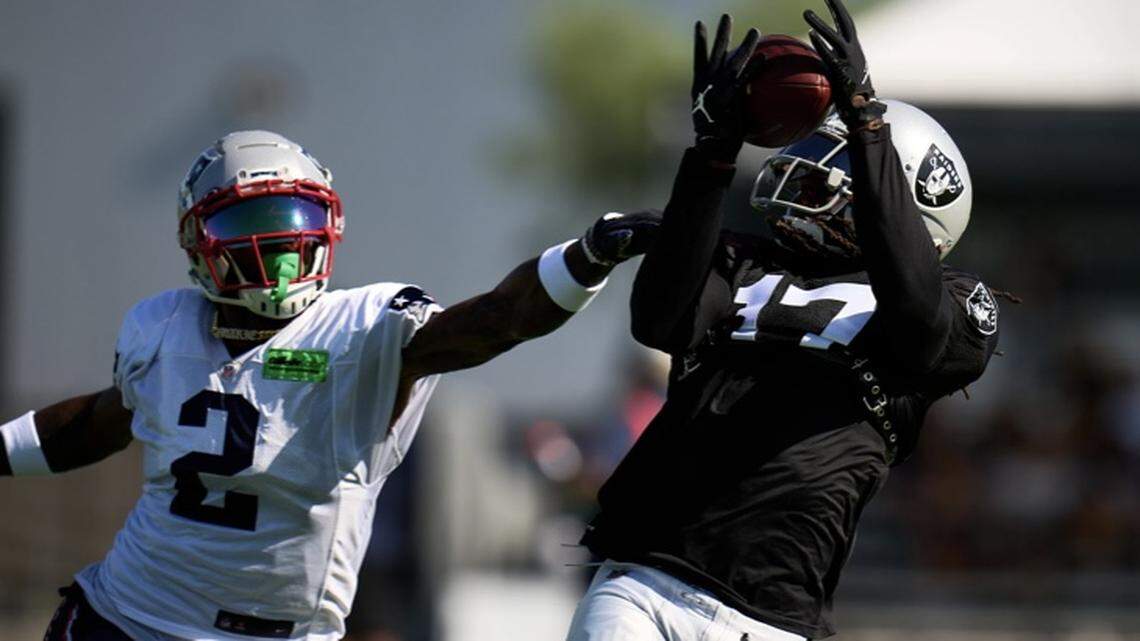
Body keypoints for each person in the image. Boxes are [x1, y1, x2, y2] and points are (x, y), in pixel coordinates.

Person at [0, 130, 660, 640]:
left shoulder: (362, 329)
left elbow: (498, 319)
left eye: (290, 219)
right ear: (197, 239)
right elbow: (98, 424)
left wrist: (588, 256)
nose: (277, 245)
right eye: (244, 226)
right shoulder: (163, 327)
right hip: (132, 617)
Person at [566, 3, 1003, 640]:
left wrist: (867, 125)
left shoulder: (959, 304)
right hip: (645, 580)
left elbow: (915, 317)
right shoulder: (746, 258)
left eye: (843, 161)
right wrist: (711, 154)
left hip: (770, 616)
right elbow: (661, 322)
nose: (813, 172)